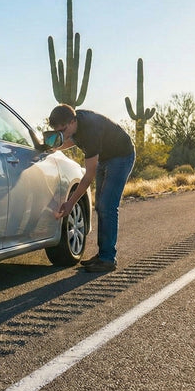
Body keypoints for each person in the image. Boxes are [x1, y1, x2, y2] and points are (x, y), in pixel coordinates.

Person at [48, 104, 135, 273]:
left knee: (107, 206)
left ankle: (108, 259)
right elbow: (69, 140)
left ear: (73, 122)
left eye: (64, 130)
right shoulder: (74, 124)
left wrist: (70, 203)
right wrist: (51, 147)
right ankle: (103, 254)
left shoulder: (90, 132)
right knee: (101, 206)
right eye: (59, 133)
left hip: (121, 157)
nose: (62, 135)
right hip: (105, 157)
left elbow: (88, 177)